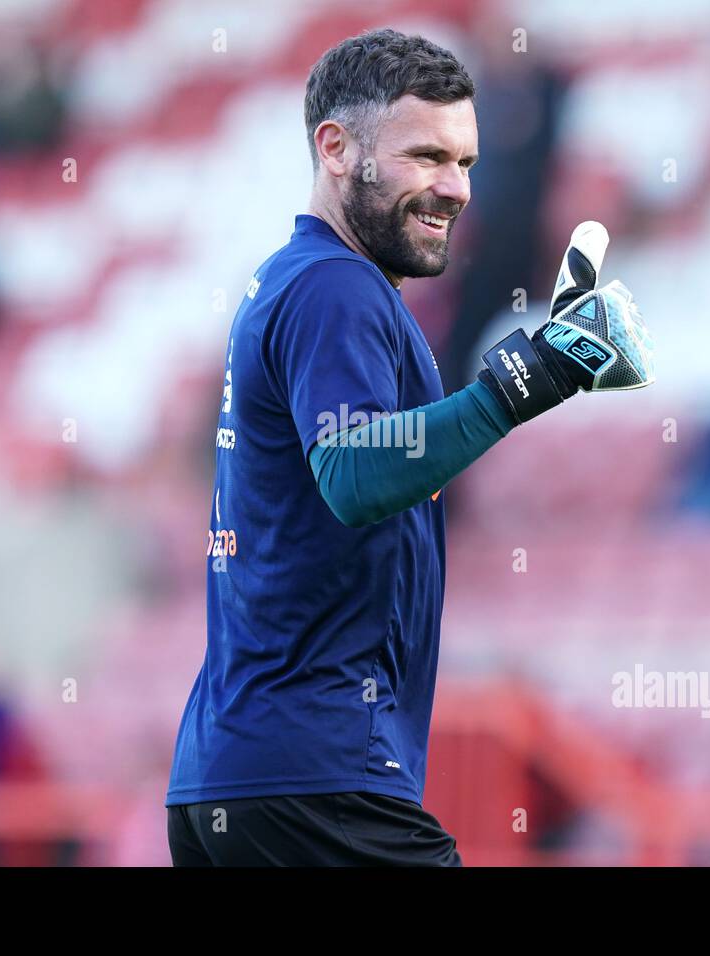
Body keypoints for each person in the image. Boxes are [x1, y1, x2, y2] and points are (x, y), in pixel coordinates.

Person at [165, 29, 655, 866]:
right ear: (335, 148)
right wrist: (534, 375)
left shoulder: (303, 280)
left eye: (464, 161)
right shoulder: (334, 284)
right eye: (425, 156)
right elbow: (354, 473)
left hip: (243, 776)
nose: (455, 188)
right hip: (315, 781)